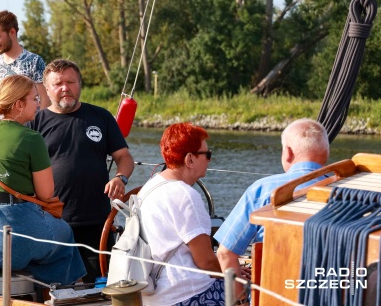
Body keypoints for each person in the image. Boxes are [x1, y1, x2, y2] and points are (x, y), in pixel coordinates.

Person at [0, 75, 85, 305]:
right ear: (19, 105)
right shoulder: (31, 138)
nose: (39, 103)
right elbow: (45, 194)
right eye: (34, 99)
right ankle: (66, 295)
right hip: (14, 234)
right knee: (64, 233)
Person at [28, 59, 134, 283]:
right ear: (47, 89)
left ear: (79, 85)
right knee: (55, 287)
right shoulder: (34, 123)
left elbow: (124, 157)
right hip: (51, 221)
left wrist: (120, 177)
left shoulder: (101, 117)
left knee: (98, 286)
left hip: (96, 220)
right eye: (58, 84)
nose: (65, 88)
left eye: (70, 82)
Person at [214, 118, 329, 299]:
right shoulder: (348, 193)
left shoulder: (261, 191)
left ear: (288, 153)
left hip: (272, 297)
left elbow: (225, 253)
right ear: (326, 155)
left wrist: (241, 302)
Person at [138, 122, 224, 305]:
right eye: (207, 154)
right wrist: (233, 272)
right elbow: (206, 262)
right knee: (251, 289)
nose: (209, 160)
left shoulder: (150, 186)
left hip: (153, 294)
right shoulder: (186, 195)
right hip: (186, 293)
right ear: (190, 160)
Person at [0, 10, 51, 129]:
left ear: (12, 32)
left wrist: (38, 131)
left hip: (28, 133)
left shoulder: (34, 61)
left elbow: (45, 99)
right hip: (1, 132)